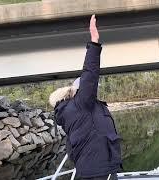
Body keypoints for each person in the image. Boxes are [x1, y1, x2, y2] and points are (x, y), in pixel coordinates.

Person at [49, 15, 122, 180]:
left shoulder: (70, 110)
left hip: (90, 169)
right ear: (78, 91)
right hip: (99, 172)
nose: (94, 90)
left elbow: (71, 145)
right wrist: (94, 43)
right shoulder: (81, 104)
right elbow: (90, 74)